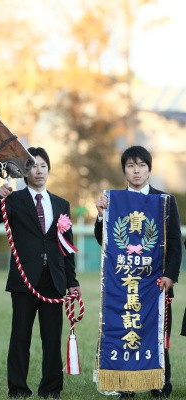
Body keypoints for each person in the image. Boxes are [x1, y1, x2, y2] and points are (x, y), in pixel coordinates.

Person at [0, 147, 80, 399]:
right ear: (25, 171)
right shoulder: (14, 200)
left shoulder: (61, 204)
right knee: (20, 337)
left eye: (43, 166)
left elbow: (67, 247)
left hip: (54, 279)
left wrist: (72, 282)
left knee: (52, 339)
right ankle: (17, 388)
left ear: (49, 170)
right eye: (33, 166)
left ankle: (51, 388)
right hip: (24, 280)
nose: (38, 171)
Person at [95, 145, 181, 400]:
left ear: (149, 169)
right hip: (125, 285)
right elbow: (105, 241)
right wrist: (100, 216)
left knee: (156, 334)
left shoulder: (164, 201)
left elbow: (175, 244)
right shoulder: (113, 200)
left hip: (156, 284)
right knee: (126, 332)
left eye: (141, 165)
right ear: (124, 170)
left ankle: (160, 385)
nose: (136, 171)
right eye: (131, 166)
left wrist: (170, 276)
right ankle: (126, 386)